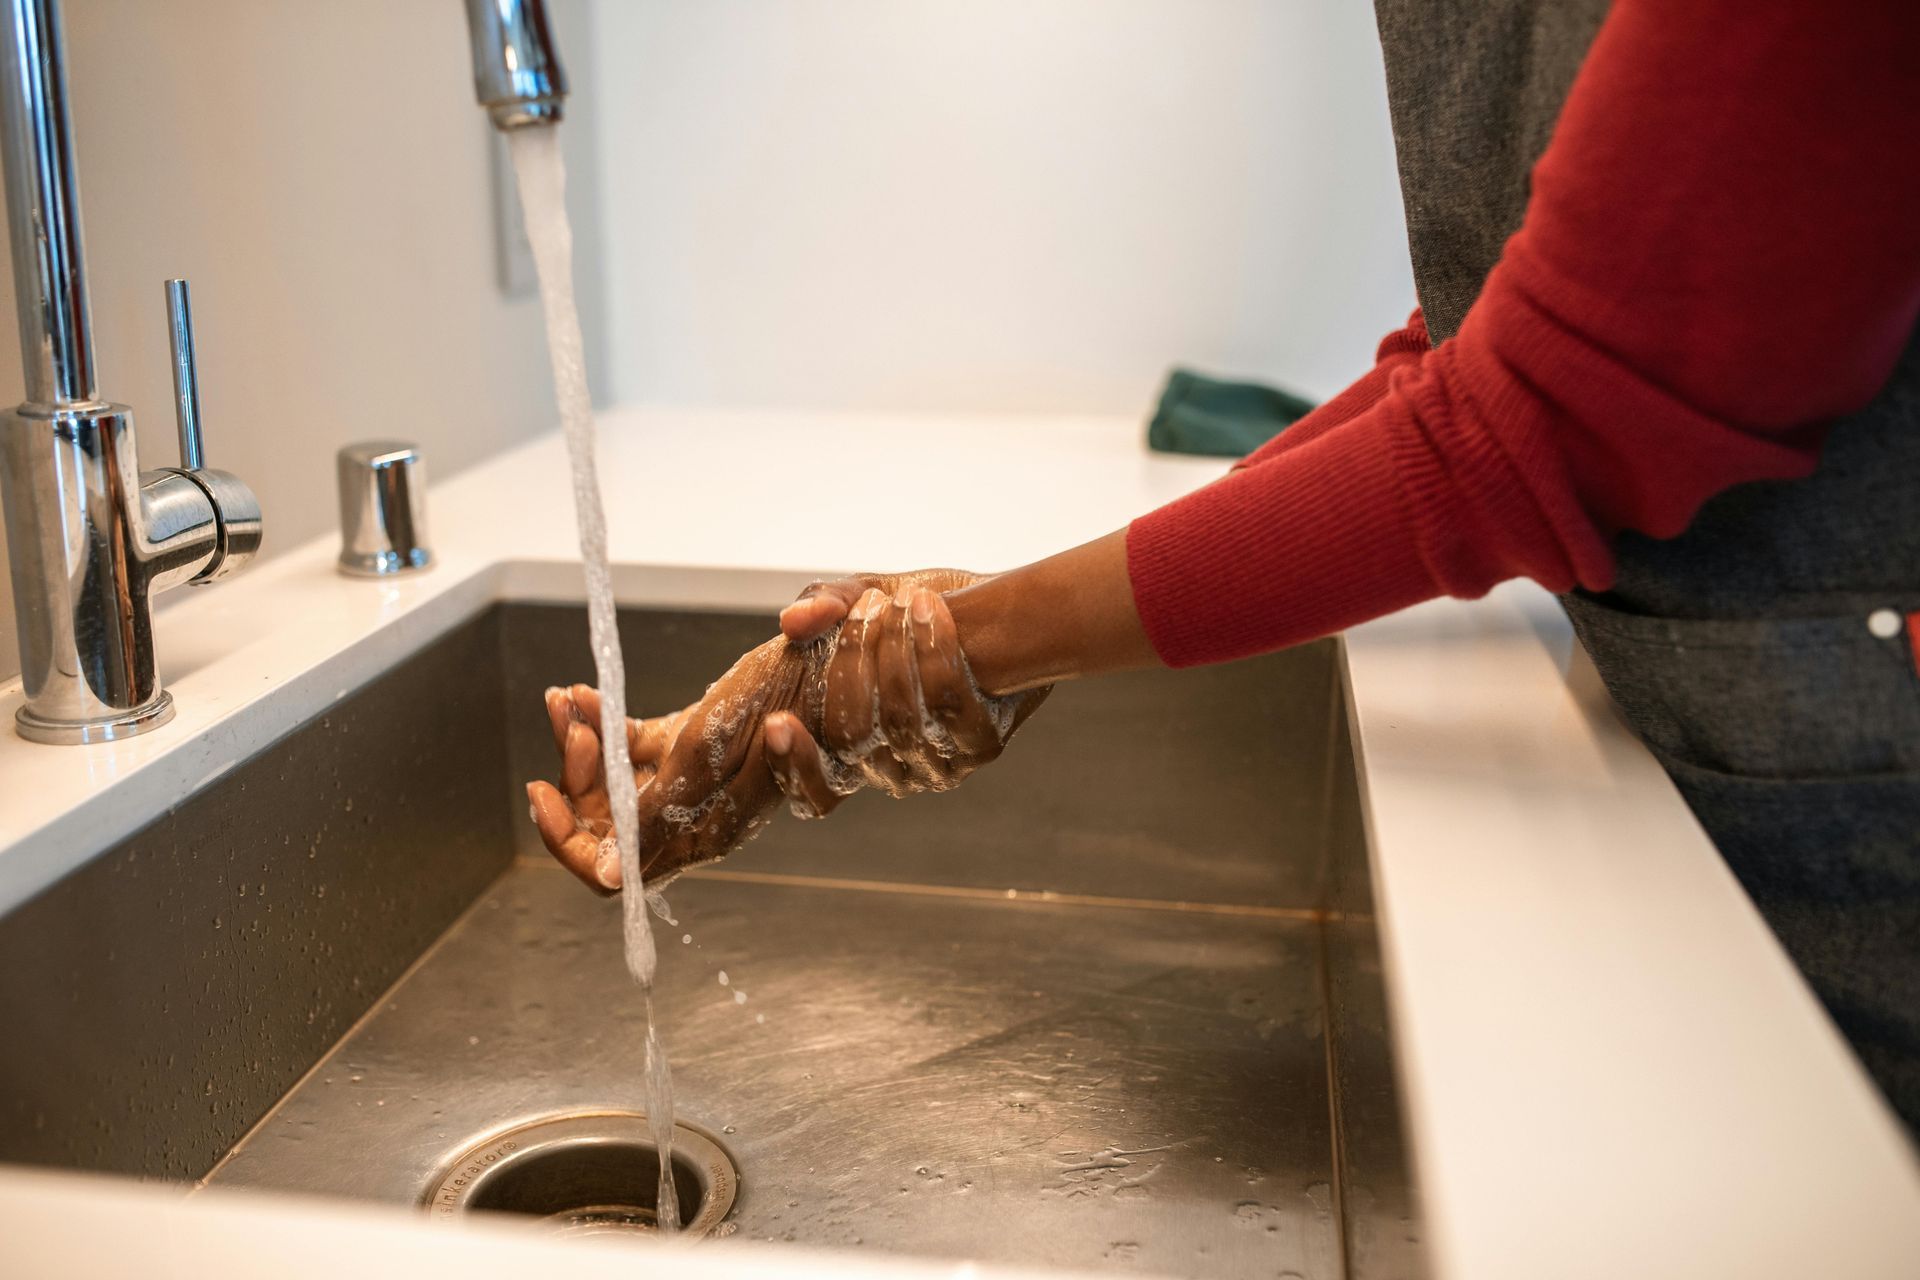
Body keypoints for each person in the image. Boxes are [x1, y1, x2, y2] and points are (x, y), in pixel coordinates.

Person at [529, 0, 1920, 1131]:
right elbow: (1471, 357)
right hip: (1718, 739)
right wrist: (976, 624)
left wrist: (962, 646)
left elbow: (1553, 409)